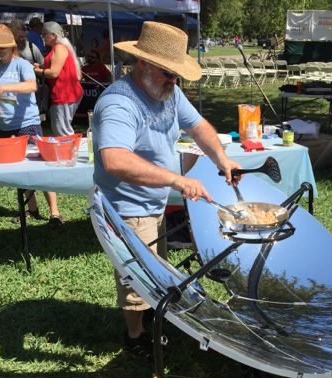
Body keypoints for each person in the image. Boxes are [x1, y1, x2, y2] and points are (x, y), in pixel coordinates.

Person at [92, 21, 243, 357]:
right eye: (167, 73)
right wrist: (177, 180)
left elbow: (199, 126)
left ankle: (155, 318)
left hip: (153, 200)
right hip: (127, 207)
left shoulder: (169, 92)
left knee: (155, 270)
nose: (174, 81)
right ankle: (135, 337)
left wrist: (222, 159)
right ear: (142, 63)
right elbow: (115, 160)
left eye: (177, 75)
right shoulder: (119, 103)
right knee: (136, 278)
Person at [0, 24, 46, 221]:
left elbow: (31, 86)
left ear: (11, 46)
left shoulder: (22, 64)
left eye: (3, 47)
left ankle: (55, 212)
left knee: (40, 167)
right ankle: (31, 209)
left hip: (27, 123)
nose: (0, 51)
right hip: (3, 125)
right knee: (18, 170)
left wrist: (3, 89)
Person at [33, 21, 84, 226]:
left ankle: (72, 163)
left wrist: (36, 71)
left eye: (45, 34)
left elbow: (54, 73)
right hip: (64, 94)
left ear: (52, 35)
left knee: (63, 131)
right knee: (62, 129)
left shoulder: (60, 48)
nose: (43, 37)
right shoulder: (58, 47)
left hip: (64, 95)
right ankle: (70, 159)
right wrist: (40, 67)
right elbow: (51, 68)